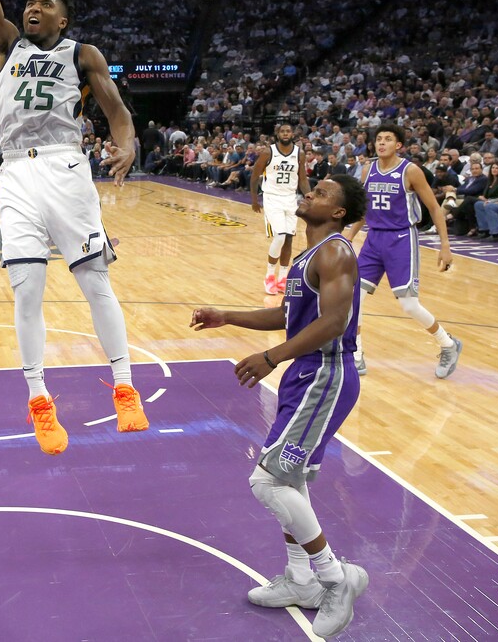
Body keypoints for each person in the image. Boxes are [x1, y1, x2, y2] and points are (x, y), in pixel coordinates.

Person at [0, 0, 147, 455]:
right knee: (27, 292)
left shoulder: (81, 54)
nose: (33, 7)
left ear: (62, 20)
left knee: (94, 281)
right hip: (15, 173)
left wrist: (127, 145)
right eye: (30, 2)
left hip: (64, 166)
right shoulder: (6, 45)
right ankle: (39, 399)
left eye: (45, 4)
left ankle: (125, 387)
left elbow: (117, 110)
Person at [191, 175, 370, 640]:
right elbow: (288, 317)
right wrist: (227, 316)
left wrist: (272, 357)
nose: (310, 194)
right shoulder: (310, 256)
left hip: (325, 375)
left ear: (338, 213)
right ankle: (301, 580)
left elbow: (334, 322)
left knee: (267, 481)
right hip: (305, 376)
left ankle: (335, 579)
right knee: (289, 480)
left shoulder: (336, 251)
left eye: (322, 193)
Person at [348, 122, 462, 379]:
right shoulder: (367, 170)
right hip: (373, 239)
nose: (381, 142)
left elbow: (434, 208)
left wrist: (445, 246)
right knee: (354, 297)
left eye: (387, 139)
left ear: (398, 145)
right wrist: (349, 235)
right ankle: (356, 353)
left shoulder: (410, 170)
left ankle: (448, 344)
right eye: (379, 138)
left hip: (401, 239)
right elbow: (364, 209)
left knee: (409, 305)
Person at [250, 122, 309, 295]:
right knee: (281, 235)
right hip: (272, 198)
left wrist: (309, 196)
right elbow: (255, 176)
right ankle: (269, 276)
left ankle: (283, 278)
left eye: (288, 131)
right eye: (282, 131)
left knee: (289, 239)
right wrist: (254, 200)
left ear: (292, 134)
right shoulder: (268, 152)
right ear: (278, 134)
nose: (285, 133)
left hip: (290, 198)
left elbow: (302, 179)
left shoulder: (299, 153)